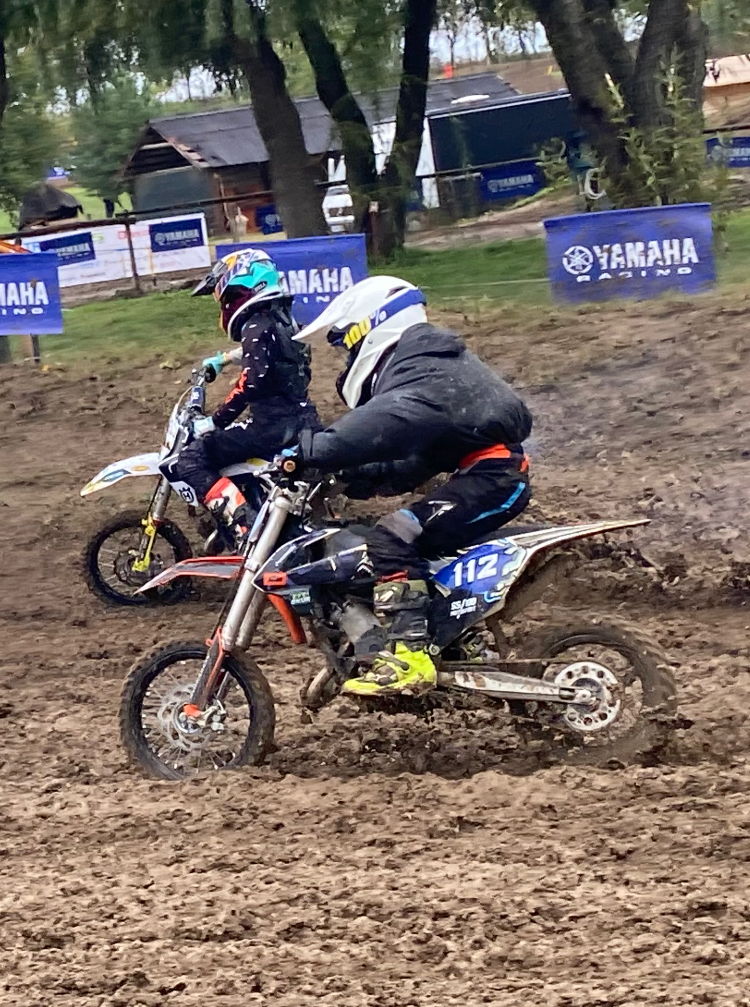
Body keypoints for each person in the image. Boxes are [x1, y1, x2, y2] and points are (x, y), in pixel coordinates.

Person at [292, 276, 533, 696]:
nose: (347, 359)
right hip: (488, 476)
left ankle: (410, 658)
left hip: (493, 479)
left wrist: (307, 452)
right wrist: (355, 478)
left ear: (370, 327)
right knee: (399, 539)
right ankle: (451, 639)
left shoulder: (423, 374)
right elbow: (412, 462)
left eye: (347, 347)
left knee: (391, 536)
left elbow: (371, 429)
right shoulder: (430, 368)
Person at [174, 248, 321, 544]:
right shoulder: (283, 319)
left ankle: (244, 527)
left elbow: (252, 382)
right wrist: (225, 359)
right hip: (301, 418)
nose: (224, 304)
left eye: (225, 297)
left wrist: (215, 421)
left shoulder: (256, 325)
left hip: (270, 426)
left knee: (190, 459)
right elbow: (270, 352)